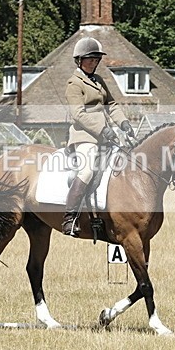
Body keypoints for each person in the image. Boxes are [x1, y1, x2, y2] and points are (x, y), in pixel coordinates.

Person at [62, 37, 135, 237]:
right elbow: (78, 114)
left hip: (106, 135)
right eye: (90, 59)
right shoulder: (74, 83)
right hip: (84, 136)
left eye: (96, 59)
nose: (94, 62)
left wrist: (123, 123)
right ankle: (70, 218)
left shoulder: (99, 81)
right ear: (79, 60)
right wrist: (102, 129)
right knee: (86, 171)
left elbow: (111, 105)